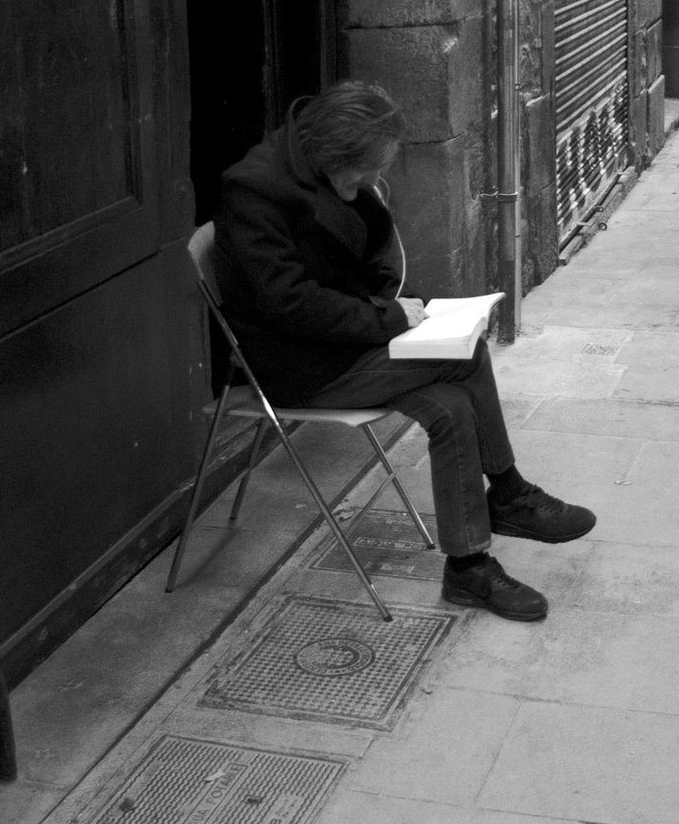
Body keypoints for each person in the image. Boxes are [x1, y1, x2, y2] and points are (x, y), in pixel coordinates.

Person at [211, 80, 594, 621]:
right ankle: (506, 494)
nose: (373, 180)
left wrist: (387, 287)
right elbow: (289, 304)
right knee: (464, 352)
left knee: (454, 404)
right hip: (299, 366)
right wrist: (388, 318)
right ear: (333, 155)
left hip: (343, 340)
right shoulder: (253, 191)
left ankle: (467, 569)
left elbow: (359, 254)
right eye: (366, 170)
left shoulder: (317, 168)